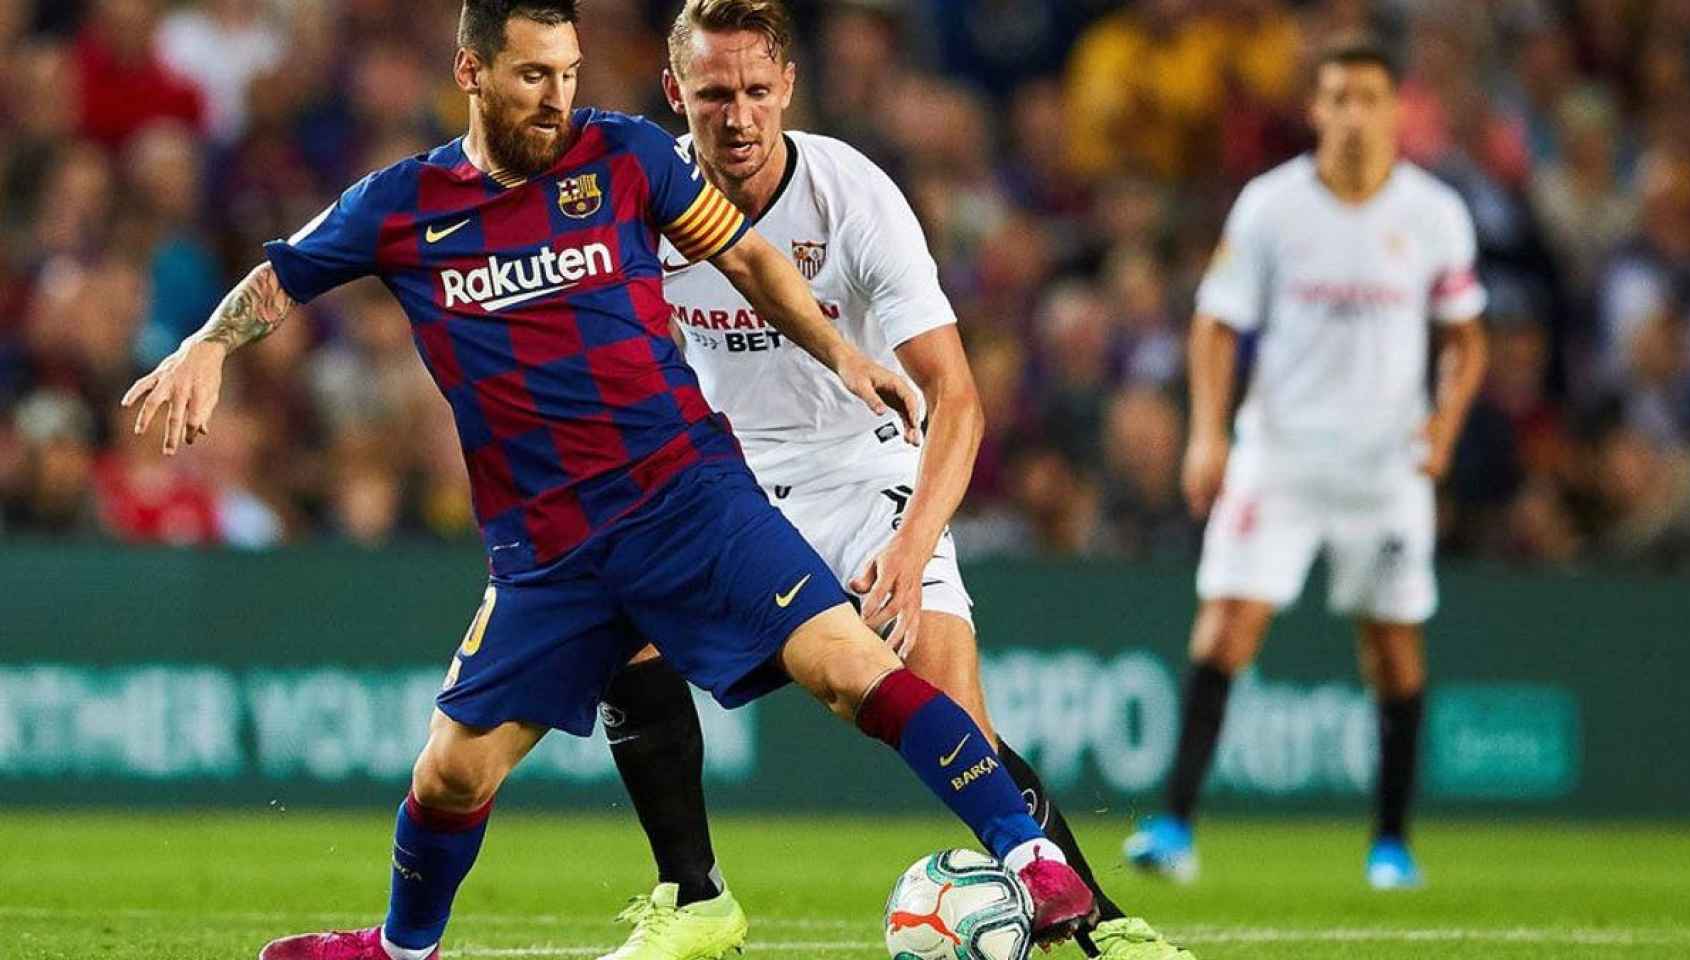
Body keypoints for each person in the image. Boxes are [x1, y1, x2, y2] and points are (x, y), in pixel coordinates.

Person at [121, 4, 1097, 958]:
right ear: (471, 73)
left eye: (569, 73)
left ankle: (1032, 859)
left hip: (687, 496)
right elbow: (282, 275)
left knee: (855, 670)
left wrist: (840, 353)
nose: (556, 98)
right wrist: (208, 345)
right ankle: (401, 947)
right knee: (451, 775)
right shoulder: (403, 205)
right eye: (532, 74)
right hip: (545, 549)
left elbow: (747, 254)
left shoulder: (626, 156)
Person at [591, 3, 1194, 959]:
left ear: (789, 86)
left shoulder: (853, 196)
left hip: (860, 468)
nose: (739, 117)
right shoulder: (642, 202)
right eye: (714, 95)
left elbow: (957, 396)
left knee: (955, 721)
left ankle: (1102, 926)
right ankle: (694, 896)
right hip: (723, 478)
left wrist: (910, 552)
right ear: (675, 94)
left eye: (757, 91)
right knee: (619, 627)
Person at [1124, 37, 1489, 890]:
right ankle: (1174, 828)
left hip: (1385, 468)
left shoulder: (1434, 213)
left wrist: (1444, 427)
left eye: (1370, 96)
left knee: (1393, 649)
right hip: (1279, 455)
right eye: (1338, 97)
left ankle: (1391, 844)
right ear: (1316, 110)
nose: (1355, 113)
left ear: (1396, 109)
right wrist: (1207, 433)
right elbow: (1216, 321)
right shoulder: (1271, 206)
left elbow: (1466, 340)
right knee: (1225, 626)